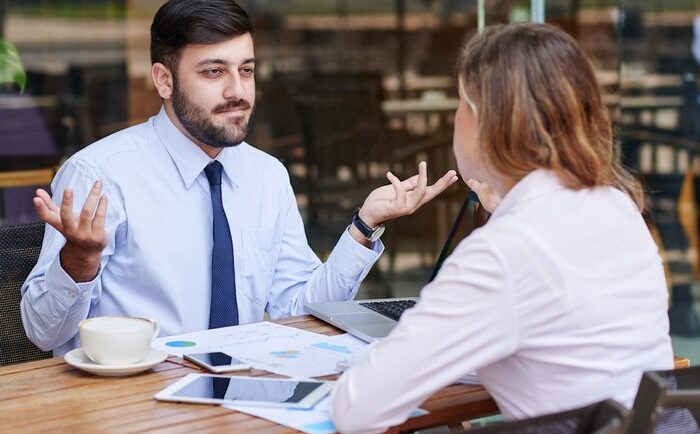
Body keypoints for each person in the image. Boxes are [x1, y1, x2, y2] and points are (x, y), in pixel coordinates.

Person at [20, 0, 457, 356]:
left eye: (245, 70)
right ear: (163, 80)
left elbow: (299, 308)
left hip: (247, 400)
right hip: (135, 406)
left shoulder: (266, 175)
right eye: (214, 72)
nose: (238, 91)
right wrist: (79, 261)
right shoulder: (100, 176)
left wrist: (363, 227)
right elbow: (44, 333)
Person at [330, 23, 674, 433]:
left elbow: (356, 410)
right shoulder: (615, 207)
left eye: (461, 103)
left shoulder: (504, 252)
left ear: (486, 123)